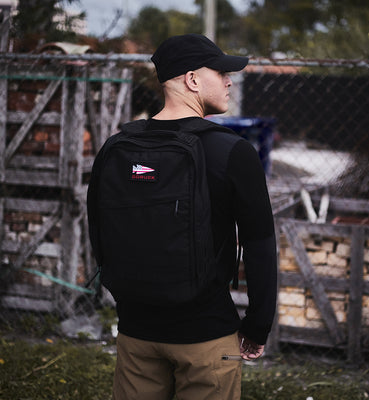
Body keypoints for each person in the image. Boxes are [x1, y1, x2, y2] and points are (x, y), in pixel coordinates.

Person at [106, 34, 277, 400]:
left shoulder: (117, 148)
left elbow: (105, 235)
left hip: (136, 333)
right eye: (221, 72)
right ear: (193, 80)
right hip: (207, 336)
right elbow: (259, 244)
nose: (229, 80)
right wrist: (258, 326)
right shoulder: (233, 151)